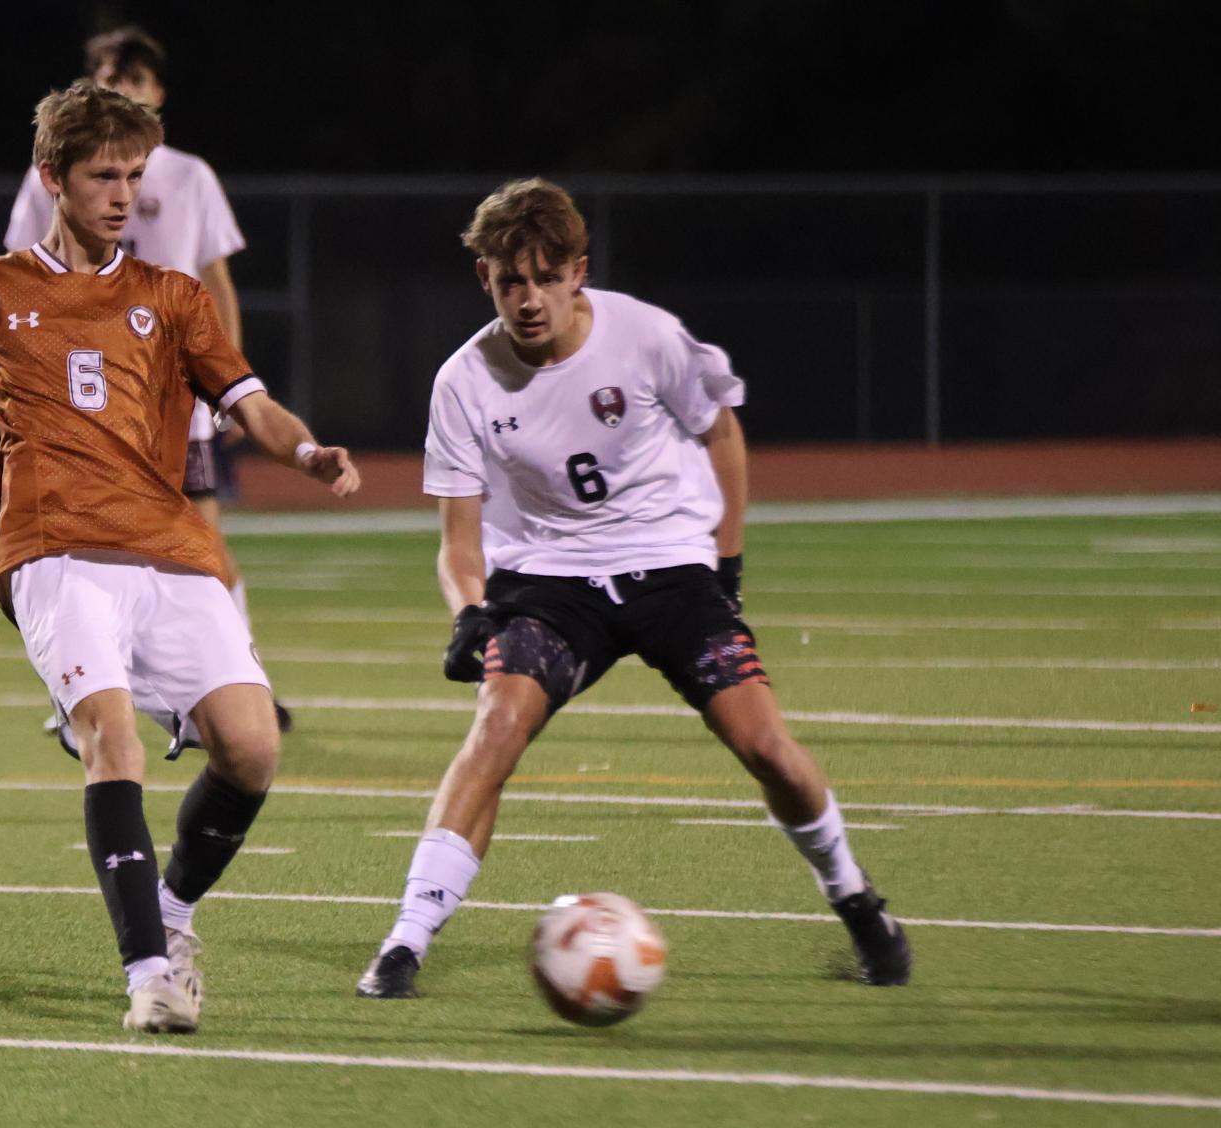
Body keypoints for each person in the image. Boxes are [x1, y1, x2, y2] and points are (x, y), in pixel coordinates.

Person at [0, 83, 360, 1034]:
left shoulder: (173, 297)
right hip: (56, 552)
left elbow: (251, 401)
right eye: (103, 176)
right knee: (109, 739)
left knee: (251, 748)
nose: (125, 196)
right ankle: (150, 975)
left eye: (134, 176)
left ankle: (171, 912)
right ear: (53, 177)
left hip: (169, 547)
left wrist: (303, 450)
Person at [355, 179, 910, 999]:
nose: (530, 299)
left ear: (579, 270)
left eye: (547, 277)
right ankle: (405, 941)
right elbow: (458, 542)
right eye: (512, 281)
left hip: (669, 567)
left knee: (762, 744)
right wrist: (469, 613)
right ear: (485, 279)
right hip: (549, 583)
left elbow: (720, 429)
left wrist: (726, 565)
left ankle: (857, 902)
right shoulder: (462, 381)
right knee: (495, 726)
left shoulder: (646, 335)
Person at [0, 27, 294, 736]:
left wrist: (230, 384)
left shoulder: (189, 176)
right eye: (108, 78)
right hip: (83, 401)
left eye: (135, 80)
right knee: (80, 548)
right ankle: (81, 691)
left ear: (158, 94)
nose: (122, 91)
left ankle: (236, 678)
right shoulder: (52, 177)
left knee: (201, 543)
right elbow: (22, 275)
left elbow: (216, 281)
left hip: (172, 402)